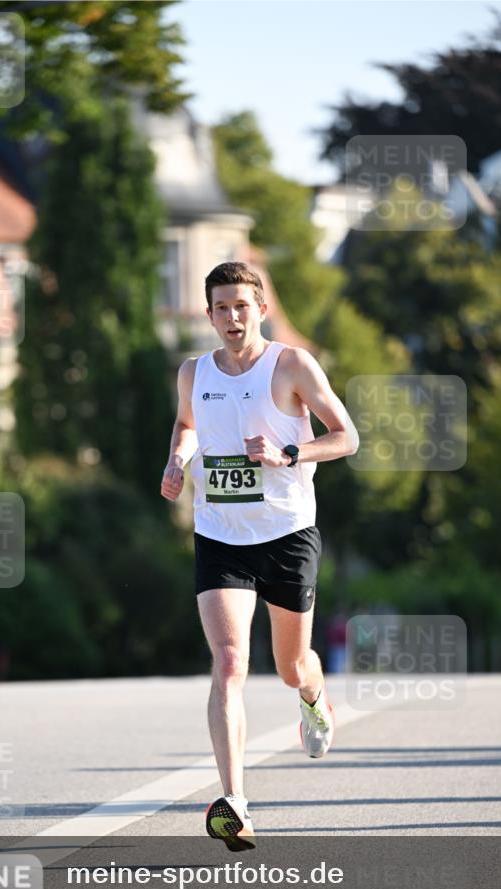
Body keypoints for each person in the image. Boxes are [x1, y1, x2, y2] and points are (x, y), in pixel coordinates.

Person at [160, 261, 359, 851]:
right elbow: (186, 425)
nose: (232, 318)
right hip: (220, 533)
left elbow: (346, 436)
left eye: (242, 306)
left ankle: (313, 697)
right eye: (221, 308)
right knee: (228, 663)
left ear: (261, 308)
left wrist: (288, 451)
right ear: (209, 314)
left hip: (287, 533)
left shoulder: (291, 364)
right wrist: (176, 460)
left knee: (291, 665)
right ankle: (234, 802)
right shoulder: (194, 372)